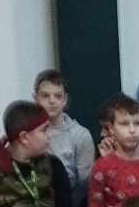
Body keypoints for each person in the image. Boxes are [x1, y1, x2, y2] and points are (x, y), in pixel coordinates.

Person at [32, 70, 94, 199]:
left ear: (65, 100)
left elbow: (85, 184)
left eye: (58, 96)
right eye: (45, 96)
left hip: (68, 202)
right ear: (35, 98)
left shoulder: (81, 135)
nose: (52, 101)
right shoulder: (27, 133)